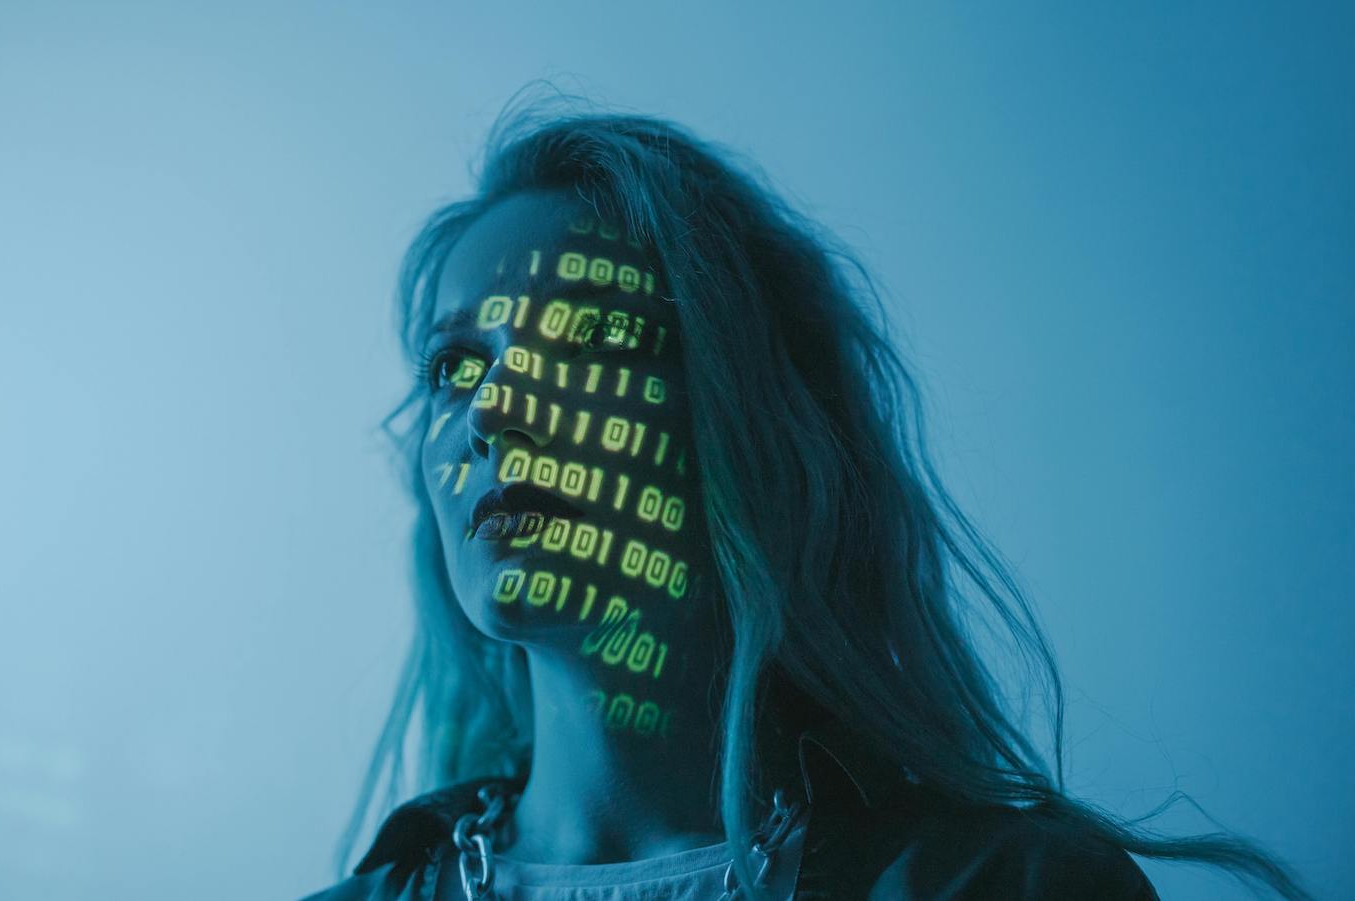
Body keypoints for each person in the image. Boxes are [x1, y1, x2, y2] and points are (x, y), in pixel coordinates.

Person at [303, 92, 1310, 900]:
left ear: (752, 418)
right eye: (453, 367)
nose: (494, 409)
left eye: (592, 337)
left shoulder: (1007, 885)